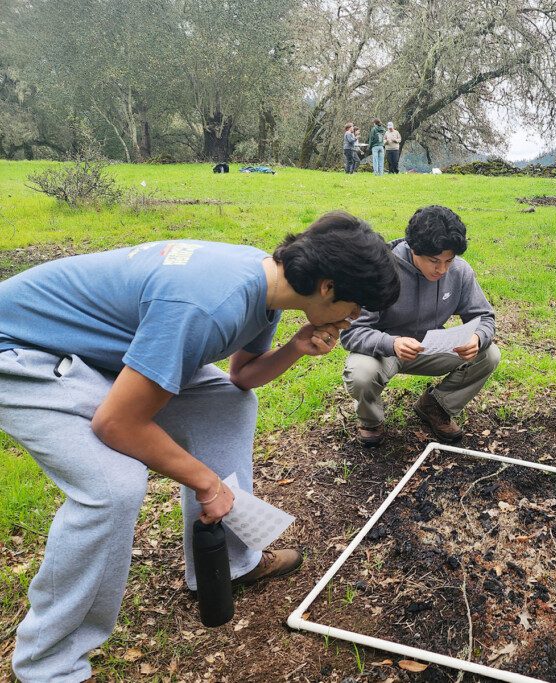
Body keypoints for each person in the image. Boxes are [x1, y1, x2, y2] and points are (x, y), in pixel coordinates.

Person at [0, 212, 400, 683]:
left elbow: (242, 377)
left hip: (95, 351)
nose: (351, 321)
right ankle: (47, 664)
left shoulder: (266, 286)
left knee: (225, 403)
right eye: (354, 309)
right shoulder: (211, 304)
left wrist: (294, 347)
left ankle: (228, 563)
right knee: (113, 488)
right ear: (328, 287)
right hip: (23, 350)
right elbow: (119, 423)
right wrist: (205, 481)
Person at [339, 205, 500, 447]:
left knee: (489, 354)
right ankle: (370, 421)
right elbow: (352, 333)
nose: (442, 269)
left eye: (449, 260)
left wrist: (477, 337)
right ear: (414, 248)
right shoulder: (380, 269)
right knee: (361, 373)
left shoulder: (459, 271)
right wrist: (391, 343)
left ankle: (436, 406)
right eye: (434, 261)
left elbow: (485, 317)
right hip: (385, 350)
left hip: (431, 348)